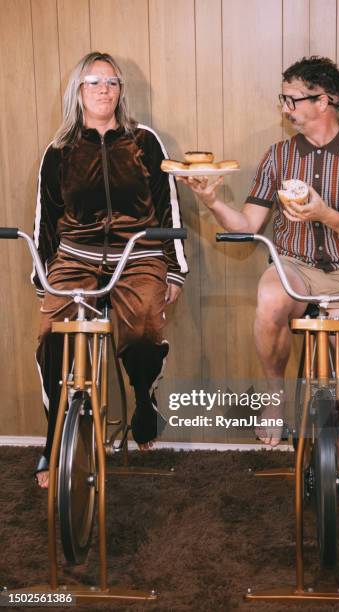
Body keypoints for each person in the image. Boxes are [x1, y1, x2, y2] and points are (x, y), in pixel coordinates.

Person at [179, 56, 339, 479]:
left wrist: (325, 214)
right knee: (272, 297)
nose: (285, 108)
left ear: (326, 100)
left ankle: (338, 440)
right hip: (290, 265)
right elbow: (248, 227)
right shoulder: (277, 155)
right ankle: (275, 396)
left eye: (293, 99)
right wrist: (213, 201)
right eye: (284, 98)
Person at [32, 52, 188, 488]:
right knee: (51, 339)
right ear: (78, 91)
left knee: (142, 330)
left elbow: (167, 207)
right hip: (75, 255)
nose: (105, 89)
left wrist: (173, 270)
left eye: (112, 81)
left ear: (121, 90)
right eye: (94, 81)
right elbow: (45, 218)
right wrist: (43, 277)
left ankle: (143, 398)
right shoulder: (60, 149)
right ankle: (54, 439)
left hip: (137, 253)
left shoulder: (144, 141)